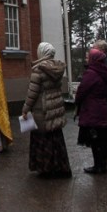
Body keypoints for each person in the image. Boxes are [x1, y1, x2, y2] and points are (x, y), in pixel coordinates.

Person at [21, 42, 72, 178]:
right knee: (55, 137)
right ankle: (60, 166)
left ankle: (45, 168)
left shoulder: (38, 69)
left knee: (42, 139)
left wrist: (25, 109)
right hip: (55, 105)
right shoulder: (57, 67)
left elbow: (33, 92)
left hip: (41, 108)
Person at [75, 48, 107, 174]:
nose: (86, 59)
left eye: (87, 57)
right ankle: (102, 165)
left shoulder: (91, 73)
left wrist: (77, 101)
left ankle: (98, 166)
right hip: (102, 108)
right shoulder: (104, 71)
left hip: (92, 110)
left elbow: (82, 90)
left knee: (95, 140)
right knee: (101, 140)